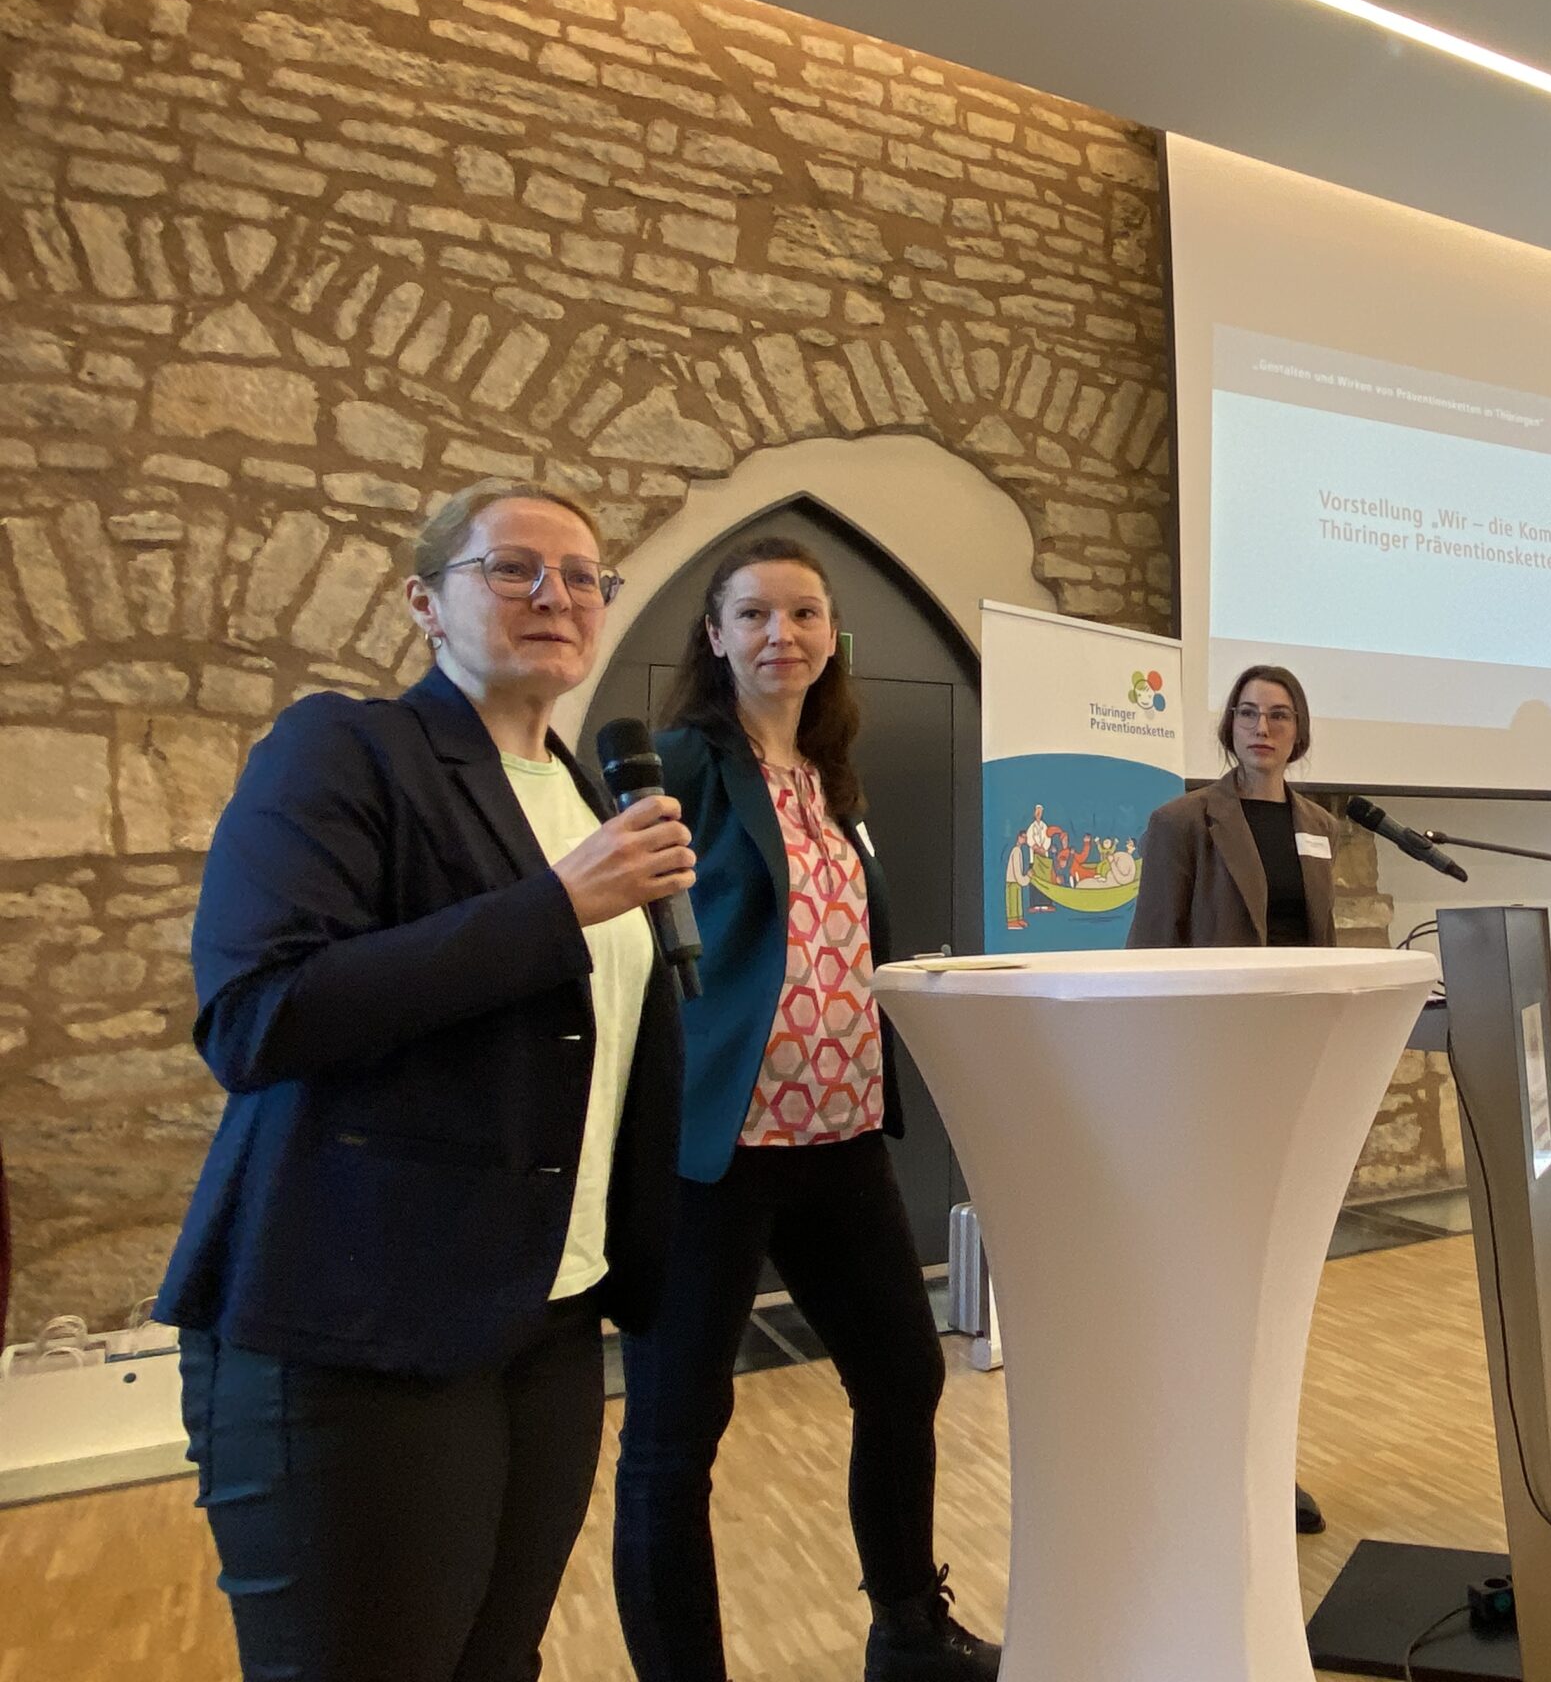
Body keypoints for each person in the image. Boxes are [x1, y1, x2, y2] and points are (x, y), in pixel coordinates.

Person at [161, 479, 693, 1680]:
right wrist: (555, 907)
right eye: (513, 569)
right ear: (423, 603)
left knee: (495, 1662)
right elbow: (258, 1017)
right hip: (363, 1321)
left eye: (583, 576)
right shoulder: (347, 751)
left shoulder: (588, 793)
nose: (556, 594)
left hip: (549, 1318)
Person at [612, 536, 1000, 1682]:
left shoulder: (830, 776)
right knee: (675, 1438)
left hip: (838, 1132)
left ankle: (909, 1634)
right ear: (715, 635)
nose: (780, 633)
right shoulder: (685, 761)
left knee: (903, 1378)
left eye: (803, 614)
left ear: (833, 637)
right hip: (717, 1148)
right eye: (754, 614)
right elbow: (626, 932)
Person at [1128, 662, 1338, 1534]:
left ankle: (1263, 1467)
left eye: (1279, 715)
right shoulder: (1183, 822)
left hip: (1290, 1066)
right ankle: (1192, 1461)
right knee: (1207, 1272)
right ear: (1229, 727)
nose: (1263, 727)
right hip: (1210, 1067)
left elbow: (1319, 949)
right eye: (1249, 713)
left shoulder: (1320, 828)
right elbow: (1152, 953)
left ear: (1299, 731)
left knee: (1271, 1275)